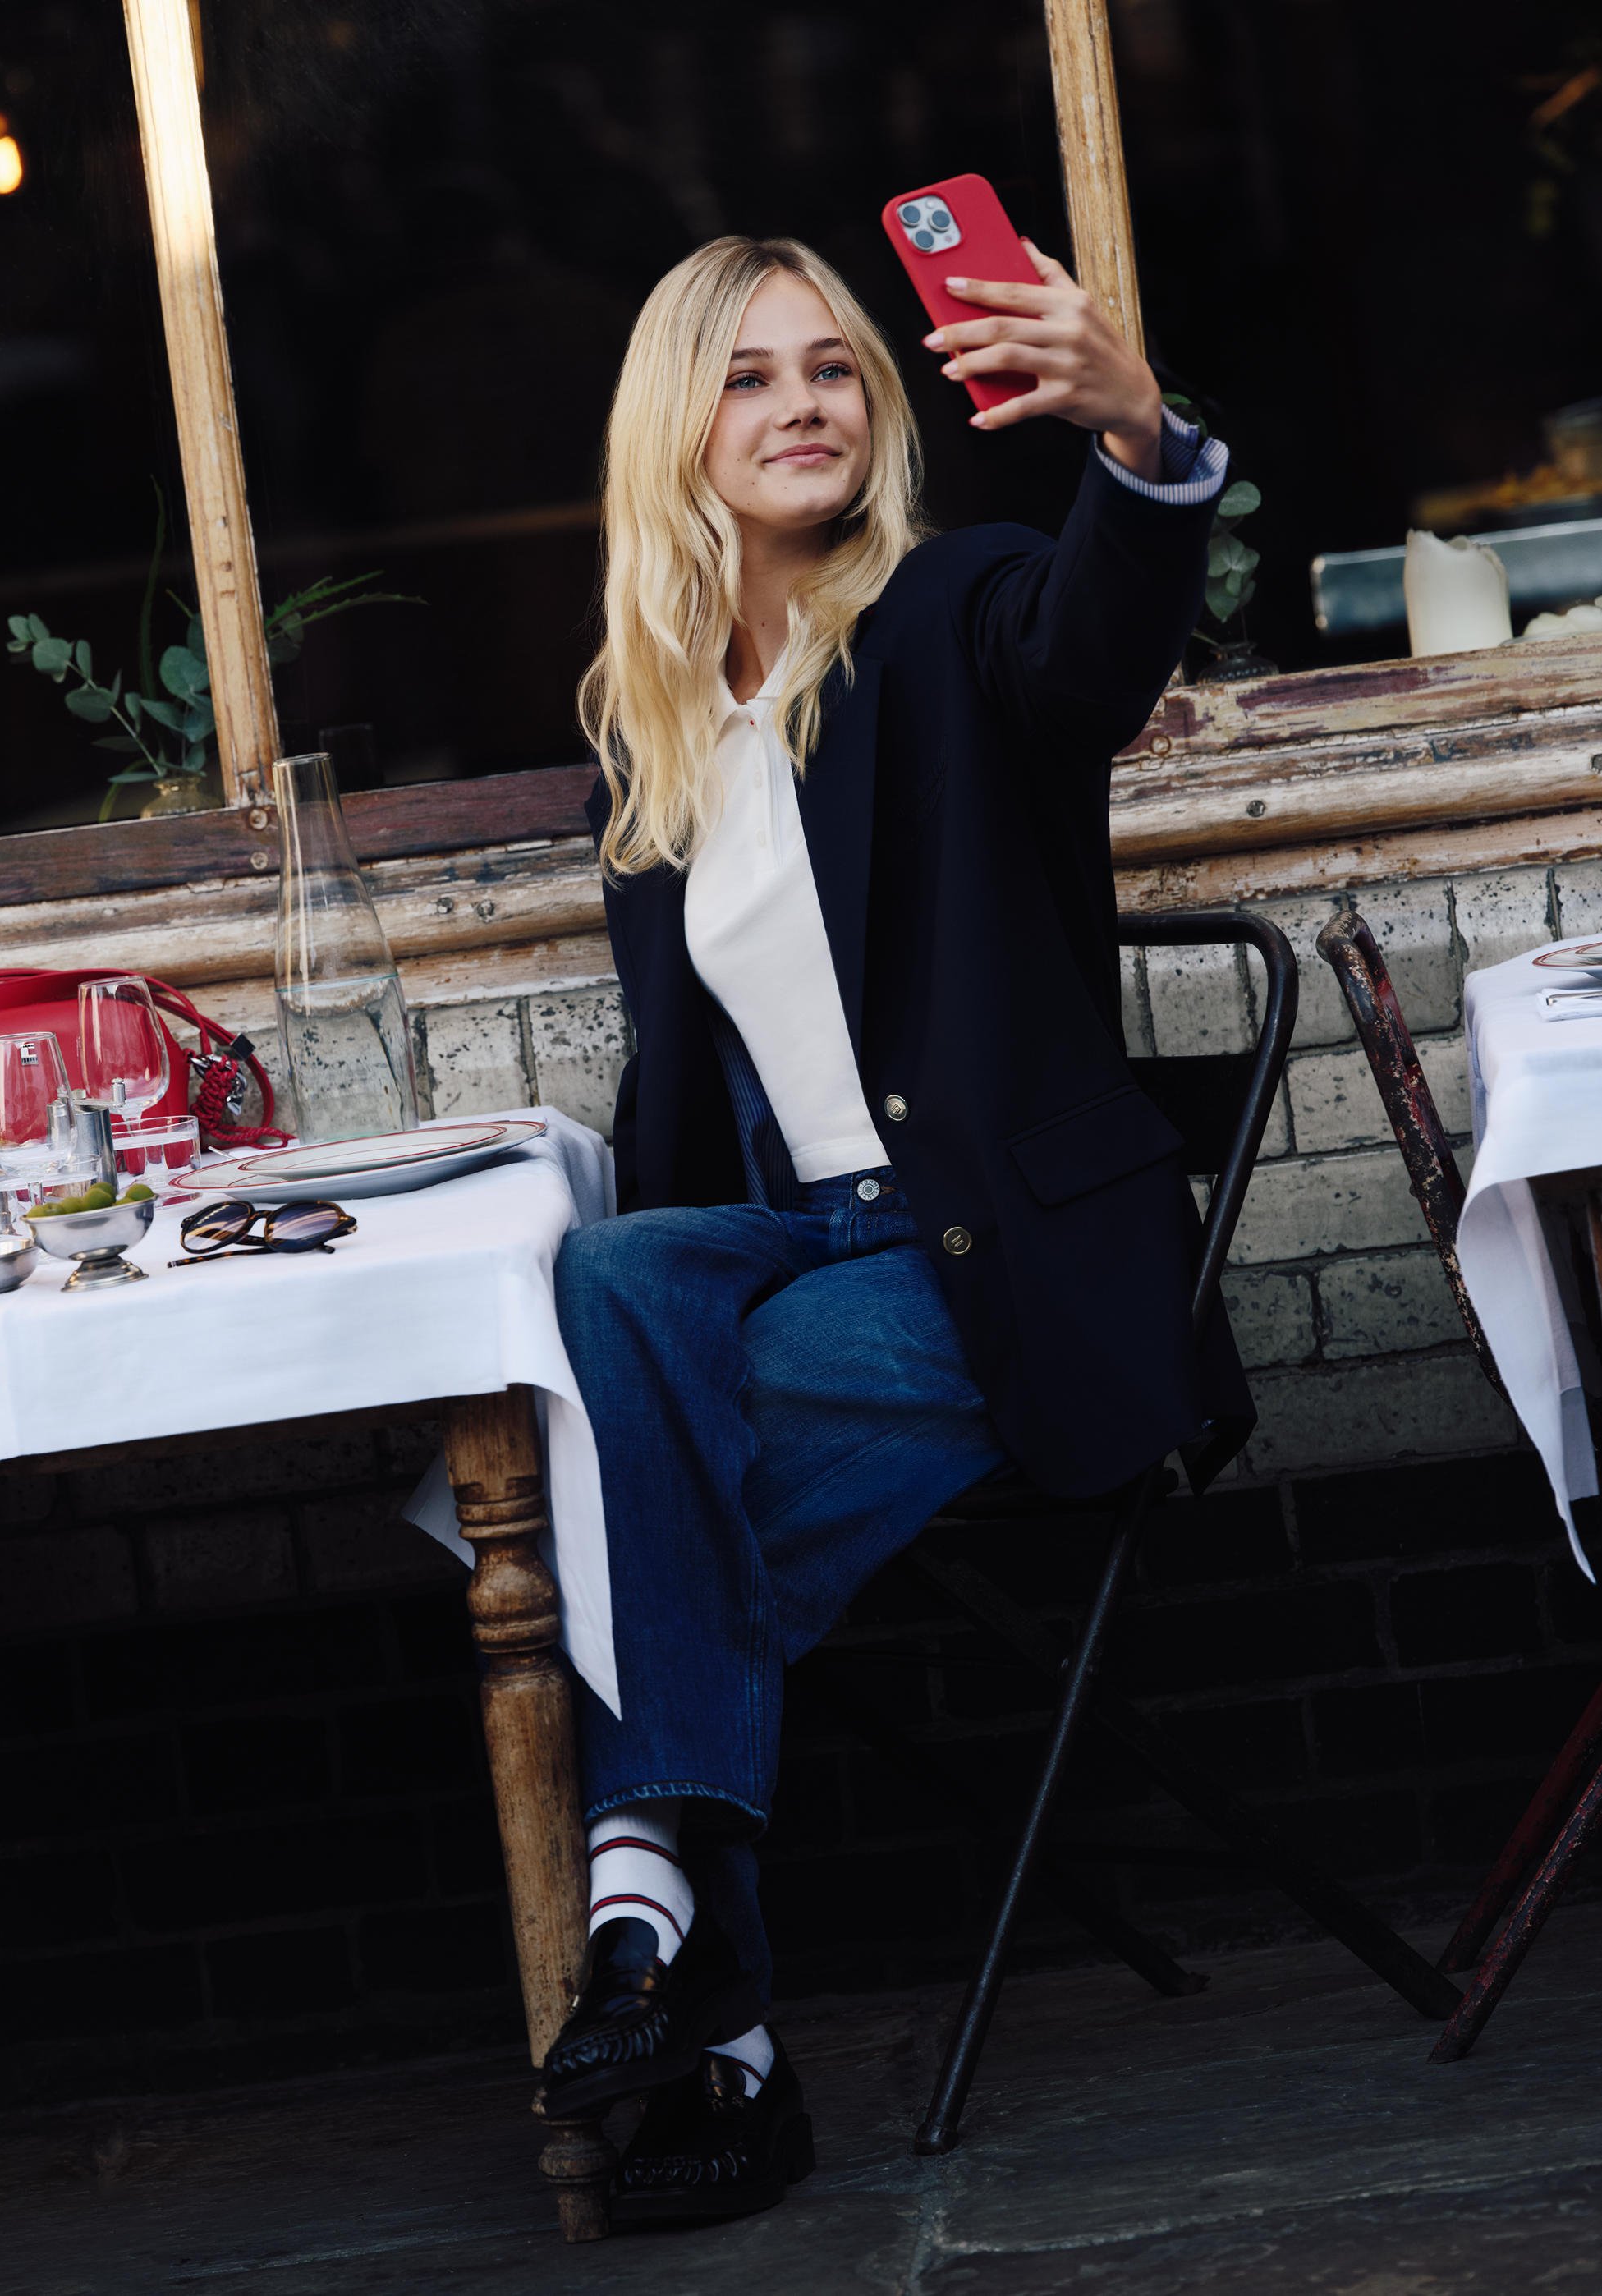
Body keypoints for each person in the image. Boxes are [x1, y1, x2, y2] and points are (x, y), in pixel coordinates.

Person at [538, 231, 1251, 2225]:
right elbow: (683, 1115)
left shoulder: (947, 613)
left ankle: (683, 1981)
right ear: (675, 432)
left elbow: (1092, 649)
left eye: (834, 368)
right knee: (610, 1278)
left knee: (624, 1518)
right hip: (803, 1247)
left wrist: (1138, 442)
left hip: (990, 1265)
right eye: (750, 376)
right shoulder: (654, 731)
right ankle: (680, 1956)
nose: (804, 405)